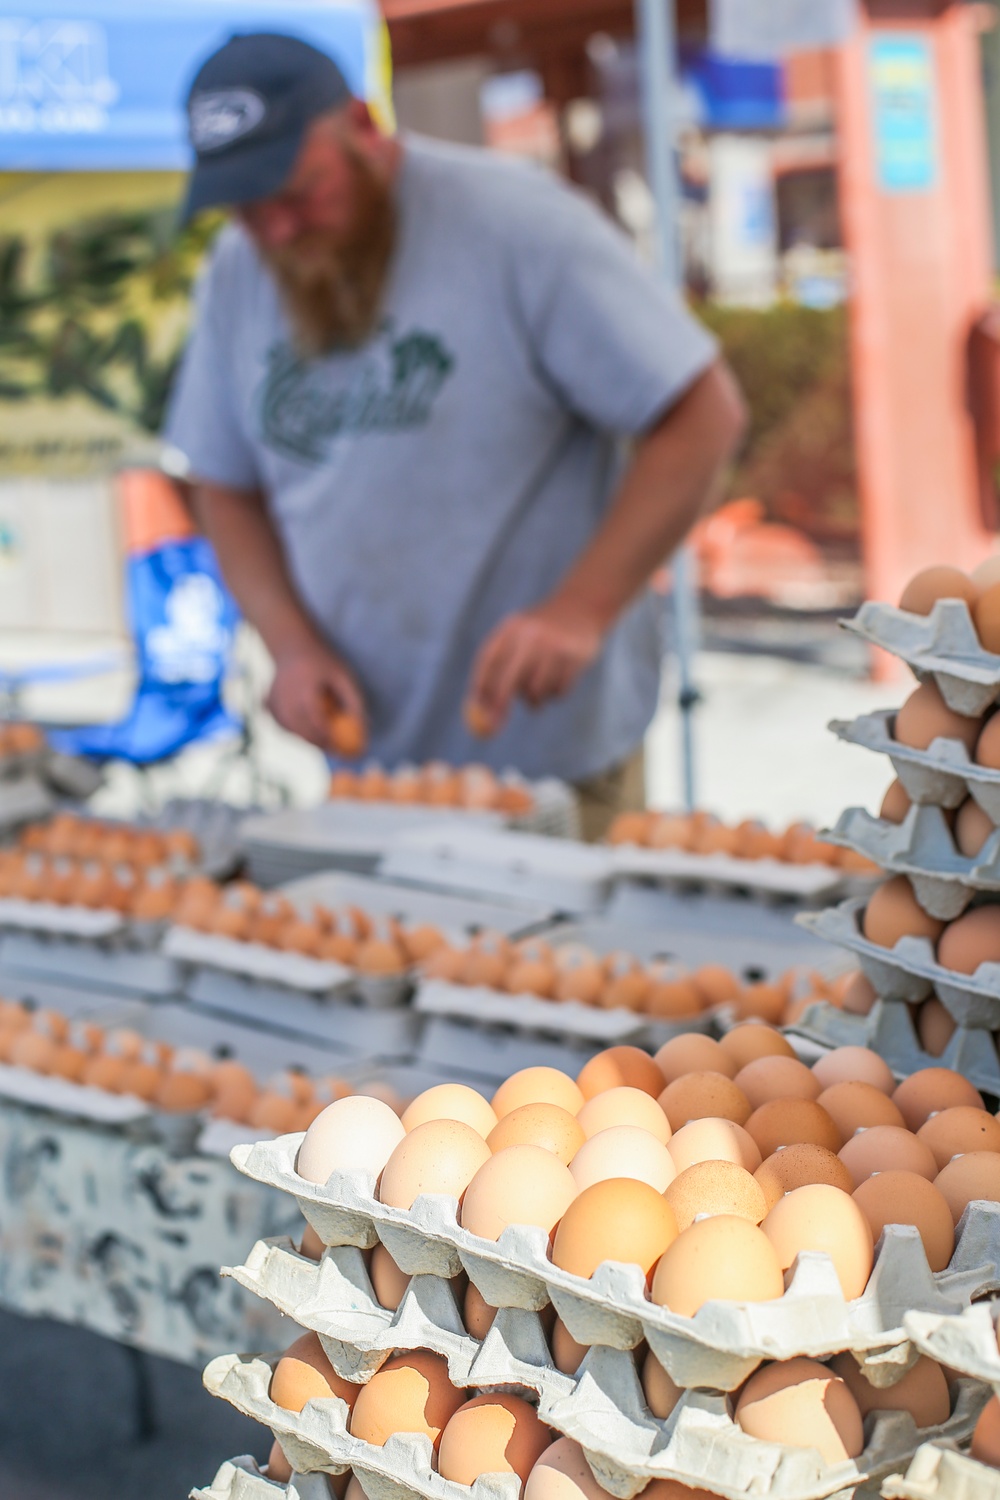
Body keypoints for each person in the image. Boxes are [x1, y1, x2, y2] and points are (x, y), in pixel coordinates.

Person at [165, 32, 746, 838]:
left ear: (364, 129)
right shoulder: (240, 266)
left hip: (553, 763)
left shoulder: (517, 224)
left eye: (298, 191)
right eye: (249, 205)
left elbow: (700, 414)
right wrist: (291, 645)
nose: (278, 229)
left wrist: (582, 607)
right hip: (369, 765)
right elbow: (222, 486)